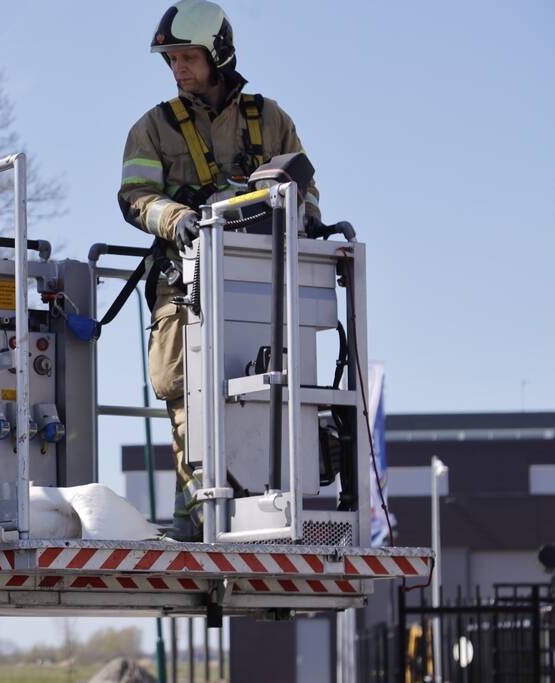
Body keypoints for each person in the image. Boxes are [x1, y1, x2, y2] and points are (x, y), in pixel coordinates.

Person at [118, 0, 321, 540]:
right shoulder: (154, 128)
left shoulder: (270, 119)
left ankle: (269, 503)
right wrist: (175, 218)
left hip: (263, 289)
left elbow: (306, 194)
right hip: (184, 286)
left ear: (218, 53)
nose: (178, 68)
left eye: (188, 56)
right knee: (182, 388)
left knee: (267, 387)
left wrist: (315, 232)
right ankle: (198, 510)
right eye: (171, 59)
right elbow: (135, 196)